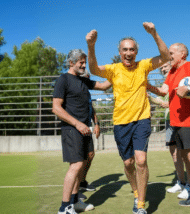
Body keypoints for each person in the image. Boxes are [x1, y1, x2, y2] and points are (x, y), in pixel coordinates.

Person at [85, 22, 170, 214]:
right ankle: (135, 190)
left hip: (142, 119)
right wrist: (91, 46)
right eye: (125, 49)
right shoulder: (114, 69)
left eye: (132, 49)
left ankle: (140, 204)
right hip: (121, 123)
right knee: (128, 163)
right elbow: (93, 69)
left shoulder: (143, 66)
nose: (129, 52)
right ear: (120, 52)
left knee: (140, 161)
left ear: (136, 52)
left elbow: (166, 57)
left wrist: (154, 33)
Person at [149, 43, 190, 214]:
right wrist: (144, 85)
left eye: (171, 53)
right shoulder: (171, 72)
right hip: (176, 123)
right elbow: (162, 90)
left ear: (182, 54)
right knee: (187, 160)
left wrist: (189, 87)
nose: (168, 56)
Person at [52, 49, 110, 214]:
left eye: (85, 62)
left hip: (85, 129)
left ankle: (75, 201)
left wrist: (119, 71)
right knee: (76, 165)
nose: (85, 66)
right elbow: (56, 108)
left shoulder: (84, 81)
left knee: (83, 163)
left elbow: (104, 85)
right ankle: (64, 207)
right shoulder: (63, 80)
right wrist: (77, 124)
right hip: (72, 129)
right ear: (71, 63)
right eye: (81, 63)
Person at [147, 62, 190, 200]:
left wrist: (170, 104)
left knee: (185, 154)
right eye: (161, 68)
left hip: (182, 119)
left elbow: (187, 96)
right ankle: (181, 183)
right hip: (169, 120)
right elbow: (161, 100)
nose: (163, 69)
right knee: (174, 153)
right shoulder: (166, 84)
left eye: (165, 66)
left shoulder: (181, 79)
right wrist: (148, 97)